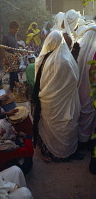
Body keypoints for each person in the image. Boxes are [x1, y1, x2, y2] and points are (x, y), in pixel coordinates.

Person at [33, 30, 80, 162]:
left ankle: (49, 151)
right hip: (63, 103)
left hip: (47, 101)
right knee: (64, 125)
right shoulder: (65, 60)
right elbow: (74, 79)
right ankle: (63, 153)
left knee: (50, 126)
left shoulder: (42, 58)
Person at [77, 25, 96, 144]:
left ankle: (78, 140)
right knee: (88, 113)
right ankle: (86, 140)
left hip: (78, 89)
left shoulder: (78, 50)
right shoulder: (94, 53)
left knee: (79, 113)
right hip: (90, 90)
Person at [2, 21, 20, 92]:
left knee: (15, 73)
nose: (16, 31)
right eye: (16, 30)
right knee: (13, 74)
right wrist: (6, 60)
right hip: (9, 58)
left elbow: (14, 45)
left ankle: (16, 87)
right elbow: (2, 48)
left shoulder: (14, 35)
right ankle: (13, 89)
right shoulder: (6, 36)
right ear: (11, 28)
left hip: (15, 57)